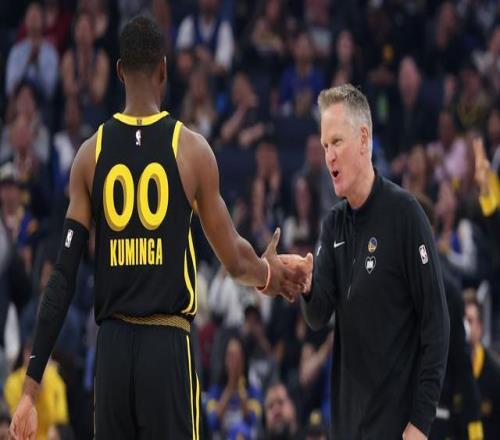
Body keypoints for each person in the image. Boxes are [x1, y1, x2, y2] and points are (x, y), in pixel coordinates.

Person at [9, 16, 306, 440]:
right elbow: (235, 260)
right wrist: (268, 275)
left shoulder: (89, 155)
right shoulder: (190, 149)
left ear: (118, 72)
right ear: (164, 69)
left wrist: (29, 388)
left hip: (111, 350)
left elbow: (62, 279)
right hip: (166, 345)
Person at [282, 84, 450, 439]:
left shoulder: (406, 215)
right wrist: (307, 285)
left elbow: (437, 324)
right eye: (325, 146)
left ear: (363, 139)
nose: (329, 156)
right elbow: (318, 316)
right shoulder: (333, 224)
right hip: (347, 427)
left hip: (397, 428)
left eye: (336, 142)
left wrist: (421, 422)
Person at [464, 296, 500, 439]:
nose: (465, 327)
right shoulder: (448, 368)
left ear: (480, 327)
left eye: (469, 321)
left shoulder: (495, 374)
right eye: (462, 320)